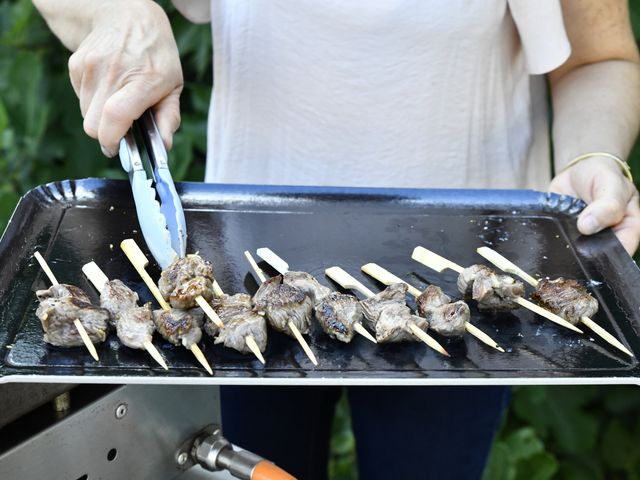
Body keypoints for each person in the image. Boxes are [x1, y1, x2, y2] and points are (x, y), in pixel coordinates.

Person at [33, 1, 640, 479]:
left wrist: (595, 155)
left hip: (460, 289)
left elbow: (597, 58)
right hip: (235, 286)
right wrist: (112, 11)